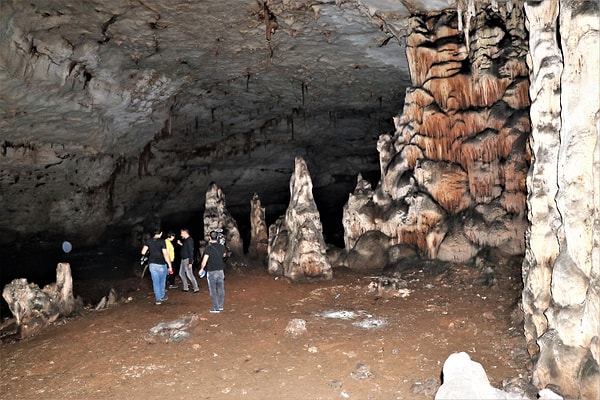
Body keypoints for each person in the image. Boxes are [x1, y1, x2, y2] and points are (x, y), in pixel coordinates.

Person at [198, 230, 228, 313]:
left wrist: (201, 268)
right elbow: (224, 255)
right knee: (221, 289)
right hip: (220, 271)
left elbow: (204, 261)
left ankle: (216, 307)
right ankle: (221, 305)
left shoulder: (208, 249)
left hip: (211, 271)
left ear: (209, 238)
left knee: (213, 290)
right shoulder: (221, 247)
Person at [141, 228, 172, 305]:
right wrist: (169, 265)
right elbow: (165, 254)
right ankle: (162, 296)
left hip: (152, 264)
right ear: (161, 233)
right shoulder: (162, 241)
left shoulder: (149, 241)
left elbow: (143, 252)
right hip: (161, 264)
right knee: (162, 281)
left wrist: (149, 251)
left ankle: (158, 299)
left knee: (155, 282)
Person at [177, 228, 199, 293]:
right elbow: (186, 248)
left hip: (187, 259)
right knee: (181, 273)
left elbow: (191, 251)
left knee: (189, 274)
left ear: (184, 232)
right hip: (183, 259)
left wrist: (190, 262)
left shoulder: (189, 240)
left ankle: (196, 288)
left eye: (181, 233)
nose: (181, 235)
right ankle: (185, 287)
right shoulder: (186, 240)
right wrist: (181, 244)